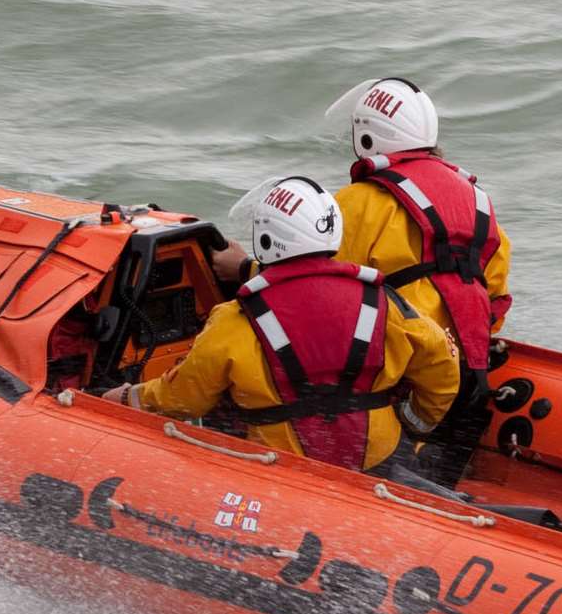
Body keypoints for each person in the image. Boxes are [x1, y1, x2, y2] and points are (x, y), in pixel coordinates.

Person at [101, 176, 460, 475]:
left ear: (267, 239)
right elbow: (442, 368)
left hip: (283, 471)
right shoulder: (384, 301)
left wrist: (130, 397)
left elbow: (184, 399)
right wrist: (416, 423)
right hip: (379, 460)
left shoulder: (236, 319)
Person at [324, 76, 513, 485]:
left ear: (368, 137)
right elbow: (495, 292)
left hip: (401, 379)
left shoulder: (356, 203)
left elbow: (312, 284)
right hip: (468, 378)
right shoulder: (477, 199)